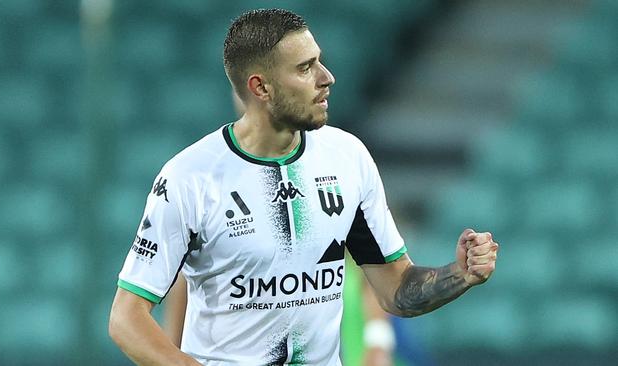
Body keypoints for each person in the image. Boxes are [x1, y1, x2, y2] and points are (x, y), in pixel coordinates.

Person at [108, 8, 499, 366]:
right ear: (261, 87)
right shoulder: (189, 177)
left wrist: (458, 274)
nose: (326, 78)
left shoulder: (347, 157)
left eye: (320, 62)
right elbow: (126, 318)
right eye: (305, 68)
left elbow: (395, 288)